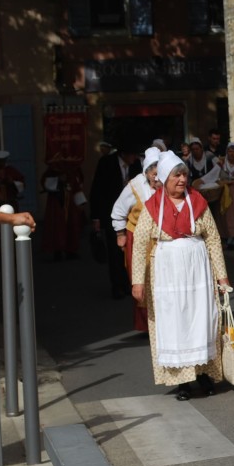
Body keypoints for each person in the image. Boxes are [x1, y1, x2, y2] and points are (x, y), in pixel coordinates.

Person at [131, 151, 229, 401]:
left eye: (184, 174)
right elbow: (140, 243)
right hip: (168, 275)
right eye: (177, 175)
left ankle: (205, 373)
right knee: (174, 322)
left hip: (197, 273)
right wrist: (138, 281)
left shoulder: (197, 202)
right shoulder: (153, 207)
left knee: (202, 319)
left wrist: (222, 277)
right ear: (164, 178)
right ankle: (183, 380)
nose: (182, 179)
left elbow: (214, 239)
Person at [112, 147, 162, 331]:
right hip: (137, 238)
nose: (157, 178)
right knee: (141, 278)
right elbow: (118, 211)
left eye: (160, 174)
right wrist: (120, 234)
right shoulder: (135, 187)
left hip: (159, 237)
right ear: (147, 172)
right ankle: (146, 323)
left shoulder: (165, 185)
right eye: (154, 174)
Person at [91, 140, 141, 299]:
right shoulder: (106, 163)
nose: (134, 158)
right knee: (115, 251)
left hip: (132, 216)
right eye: (132, 154)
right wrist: (96, 217)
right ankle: (117, 286)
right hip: (111, 214)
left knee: (131, 250)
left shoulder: (136, 165)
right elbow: (97, 189)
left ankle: (128, 283)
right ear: (123, 154)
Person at [41, 160, 86, 260]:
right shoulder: (53, 168)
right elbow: (45, 182)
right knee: (57, 225)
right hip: (57, 202)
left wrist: (80, 202)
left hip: (71, 203)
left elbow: (76, 185)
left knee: (72, 224)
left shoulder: (73, 168)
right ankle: (58, 250)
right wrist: (58, 180)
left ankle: (71, 250)